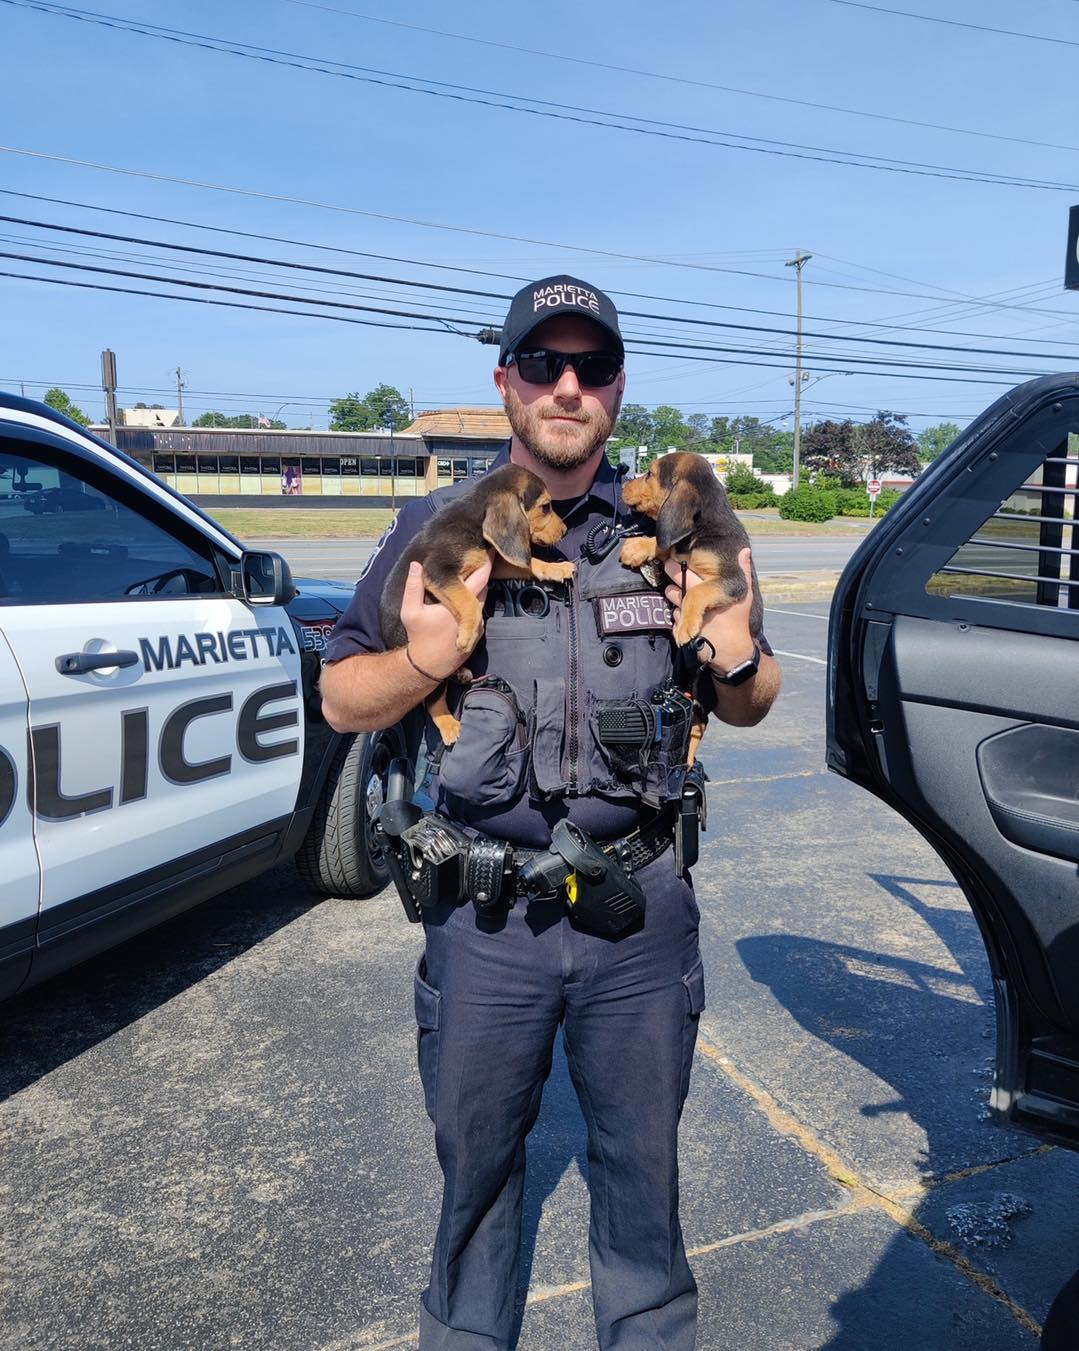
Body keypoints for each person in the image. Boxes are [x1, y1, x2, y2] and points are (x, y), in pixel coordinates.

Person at [320, 274, 781, 1349]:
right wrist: (422, 657)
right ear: (505, 383)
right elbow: (341, 696)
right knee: (474, 1178)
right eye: (542, 363)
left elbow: (750, 701)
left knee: (641, 1180)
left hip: (639, 916)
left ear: (616, 389)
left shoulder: (675, 523)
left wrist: (731, 651)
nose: (566, 385)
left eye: (590, 367)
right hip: (487, 928)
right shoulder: (438, 529)